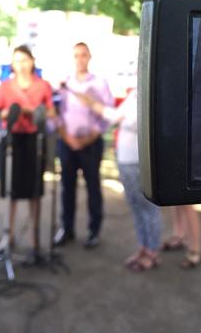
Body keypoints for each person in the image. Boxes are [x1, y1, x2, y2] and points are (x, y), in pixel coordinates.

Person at [77, 87, 162, 270]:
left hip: (138, 160)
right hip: (126, 159)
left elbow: (135, 121)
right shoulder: (135, 93)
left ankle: (152, 251)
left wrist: (97, 107)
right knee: (135, 206)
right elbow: (118, 116)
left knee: (148, 207)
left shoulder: (150, 92)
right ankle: (144, 247)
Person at [0, 45, 54, 259]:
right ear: (12, 64)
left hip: (35, 142)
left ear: (32, 61)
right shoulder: (5, 87)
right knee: (11, 192)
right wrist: (6, 113)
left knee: (35, 191)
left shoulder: (43, 85)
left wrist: (36, 112)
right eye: (17, 61)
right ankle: (8, 235)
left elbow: (51, 111)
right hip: (12, 142)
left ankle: (35, 238)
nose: (21, 65)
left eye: (25, 60)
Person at [54, 42, 113, 249]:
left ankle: (93, 231)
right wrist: (66, 136)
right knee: (67, 187)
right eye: (76, 56)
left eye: (83, 55)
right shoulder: (64, 85)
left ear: (89, 57)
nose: (80, 59)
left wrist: (90, 137)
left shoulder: (99, 83)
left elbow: (108, 113)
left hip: (91, 144)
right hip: (67, 143)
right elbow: (56, 114)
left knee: (92, 186)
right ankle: (67, 228)